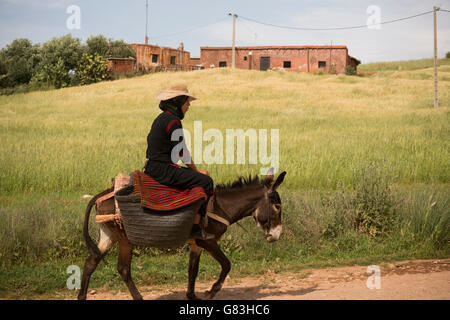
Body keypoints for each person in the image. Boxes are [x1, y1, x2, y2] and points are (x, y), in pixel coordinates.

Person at [144, 83, 214, 240]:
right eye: (187, 101)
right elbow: (182, 153)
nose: (189, 105)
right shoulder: (173, 121)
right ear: (178, 102)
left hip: (154, 167)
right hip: (163, 170)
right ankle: (196, 227)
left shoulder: (161, 118)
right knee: (206, 182)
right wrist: (197, 172)